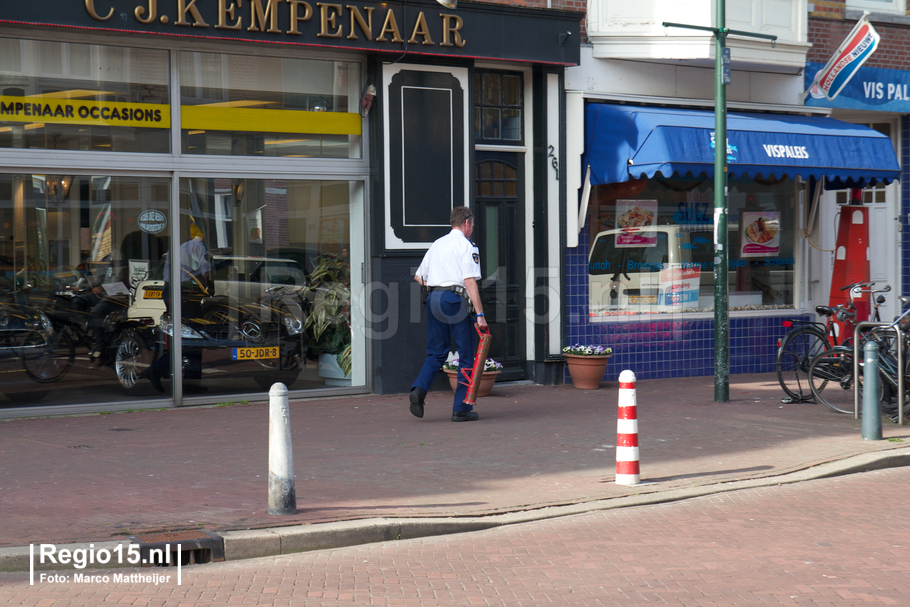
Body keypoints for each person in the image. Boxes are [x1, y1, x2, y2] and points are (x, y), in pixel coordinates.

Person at [410, 206, 487, 422]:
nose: (472, 228)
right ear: (466, 223)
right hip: (455, 300)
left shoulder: (437, 244)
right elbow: (470, 281)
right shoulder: (467, 245)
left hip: (434, 298)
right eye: (472, 224)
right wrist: (479, 314)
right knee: (466, 353)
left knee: (436, 353)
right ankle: (461, 409)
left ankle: (418, 390)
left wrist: (437, 285)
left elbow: (418, 276)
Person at [145, 223, 212, 393]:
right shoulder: (198, 247)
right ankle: (162, 372)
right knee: (194, 337)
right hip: (187, 293)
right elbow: (206, 272)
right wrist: (210, 288)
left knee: (188, 337)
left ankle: (188, 382)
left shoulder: (177, 248)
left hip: (171, 291)